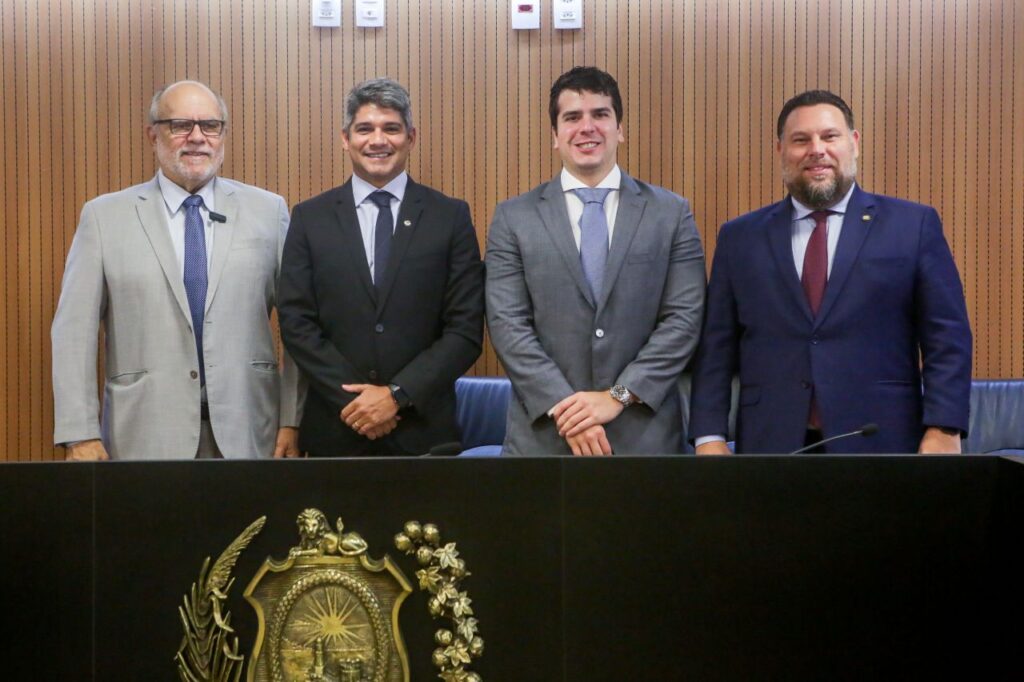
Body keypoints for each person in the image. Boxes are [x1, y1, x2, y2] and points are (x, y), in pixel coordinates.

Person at [690, 90, 972, 455]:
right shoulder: (739, 237)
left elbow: (946, 335)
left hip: (883, 441)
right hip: (771, 444)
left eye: (829, 136)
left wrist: (944, 427)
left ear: (853, 143)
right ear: (780, 151)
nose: (816, 149)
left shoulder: (912, 225)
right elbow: (717, 347)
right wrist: (708, 435)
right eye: (801, 140)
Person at [52, 80, 302, 460]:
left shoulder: (269, 212)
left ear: (223, 135)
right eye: (180, 125)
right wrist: (79, 433)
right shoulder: (104, 217)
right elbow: (73, 331)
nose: (197, 137)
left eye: (210, 126)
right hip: (142, 433)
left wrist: (292, 420)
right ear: (153, 135)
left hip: (252, 431)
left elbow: (299, 324)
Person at [485, 66, 706, 456]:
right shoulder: (513, 217)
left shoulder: (671, 213)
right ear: (555, 135)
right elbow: (507, 325)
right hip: (544, 438)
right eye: (572, 117)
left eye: (600, 114)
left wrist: (617, 396)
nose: (587, 127)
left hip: (644, 438)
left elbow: (684, 319)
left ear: (620, 128)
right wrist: (569, 410)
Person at [278, 78, 484, 457]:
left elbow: (466, 329)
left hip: (425, 434)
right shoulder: (310, 218)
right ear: (345, 138)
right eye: (364, 129)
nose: (378, 140)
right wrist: (360, 405)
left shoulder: (449, 217)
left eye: (391, 128)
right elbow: (296, 323)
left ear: (411, 137)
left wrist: (396, 396)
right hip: (335, 430)